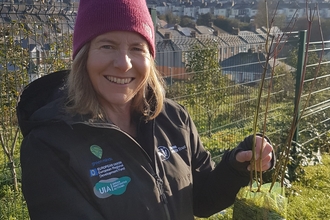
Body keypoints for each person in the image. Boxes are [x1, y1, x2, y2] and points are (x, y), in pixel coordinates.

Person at [17, 0, 274, 219]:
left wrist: (235, 166)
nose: (124, 63)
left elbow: (203, 200)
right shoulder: (48, 145)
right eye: (107, 45)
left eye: (137, 48)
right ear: (83, 57)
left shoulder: (174, 119)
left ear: (150, 59)